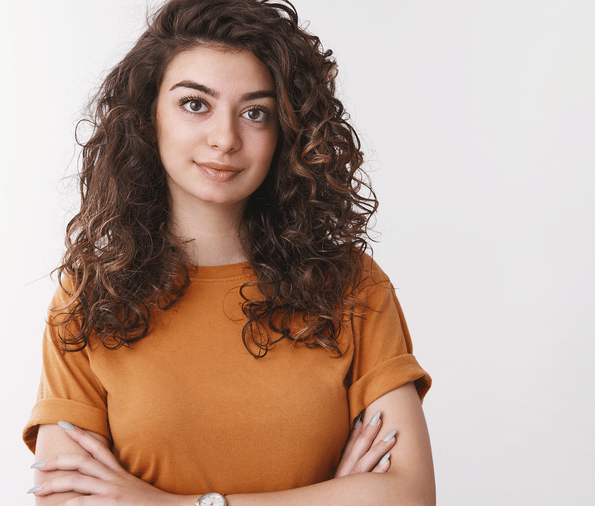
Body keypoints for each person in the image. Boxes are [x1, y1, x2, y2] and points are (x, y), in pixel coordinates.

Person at [23, 0, 435, 504]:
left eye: (255, 113)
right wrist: (334, 496)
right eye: (195, 103)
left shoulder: (351, 285)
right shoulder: (90, 299)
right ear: (148, 115)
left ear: (286, 131)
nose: (225, 139)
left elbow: (408, 496)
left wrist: (168, 504)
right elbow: (68, 499)